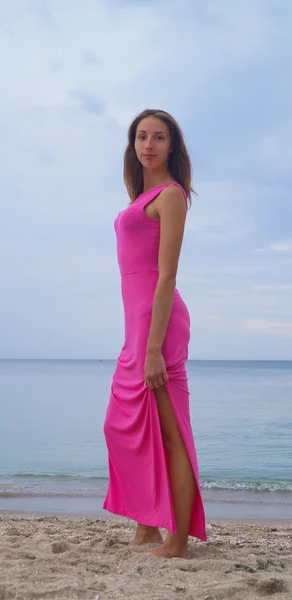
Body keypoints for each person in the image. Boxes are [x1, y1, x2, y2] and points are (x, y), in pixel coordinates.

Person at [103, 109, 207, 558]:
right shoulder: (136, 199)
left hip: (158, 328)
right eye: (142, 137)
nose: (149, 145)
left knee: (169, 433)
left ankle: (178, 541)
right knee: (124, 426)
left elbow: (166, 276)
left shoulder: (171, 195)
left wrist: (152, 351)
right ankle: (147, 526)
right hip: (137, 324)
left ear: (172, 146)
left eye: (159, 137)